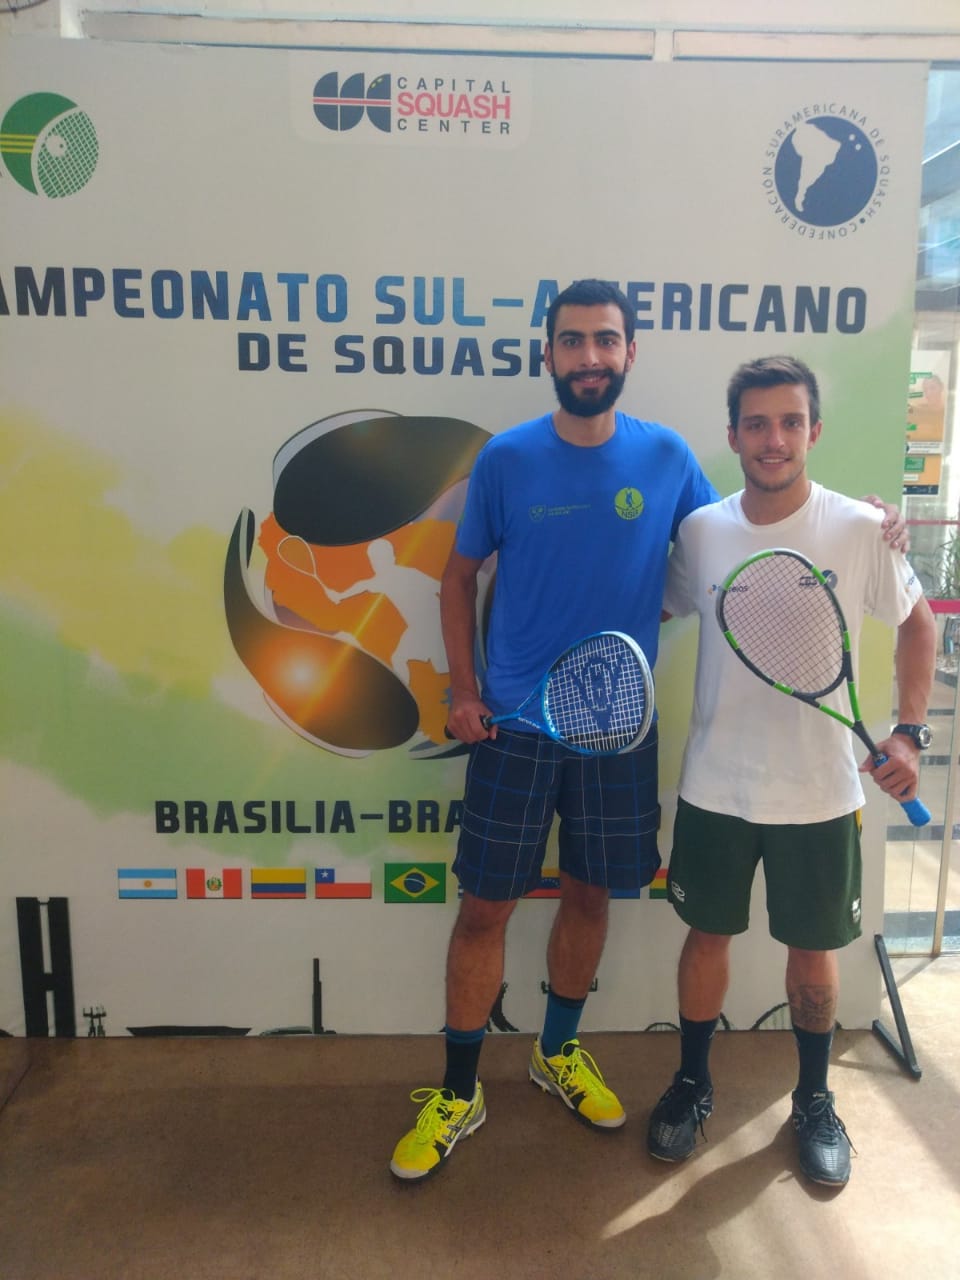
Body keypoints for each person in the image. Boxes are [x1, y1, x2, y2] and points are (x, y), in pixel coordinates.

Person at [388, 283, 907, 1183]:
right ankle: (458, 1090)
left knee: (590, 900)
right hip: (513, 728)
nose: (591, 356)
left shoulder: (668, 461)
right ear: (548, 354)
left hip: (619, 729)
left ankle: (555, 1052)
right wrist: (465, 688)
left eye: (607, 341)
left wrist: (868, 531)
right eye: (574, 341)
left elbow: (746, 537)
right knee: (484, 910)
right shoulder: (507, 460)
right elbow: (457, 576)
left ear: (631, 354)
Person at [646, 355, 936, 1188]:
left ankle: (813, 1100)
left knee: (813, 955)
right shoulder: (701, 531)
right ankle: (693, 1083)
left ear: (814, 430)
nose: (775, 440)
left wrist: (909, 735)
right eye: (757, 424)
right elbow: (651, 601)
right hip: (715, 787)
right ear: (733, 433)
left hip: (820, 793)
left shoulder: (857, 528)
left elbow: (919, 629)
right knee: (708, 940)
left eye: (791, 422)